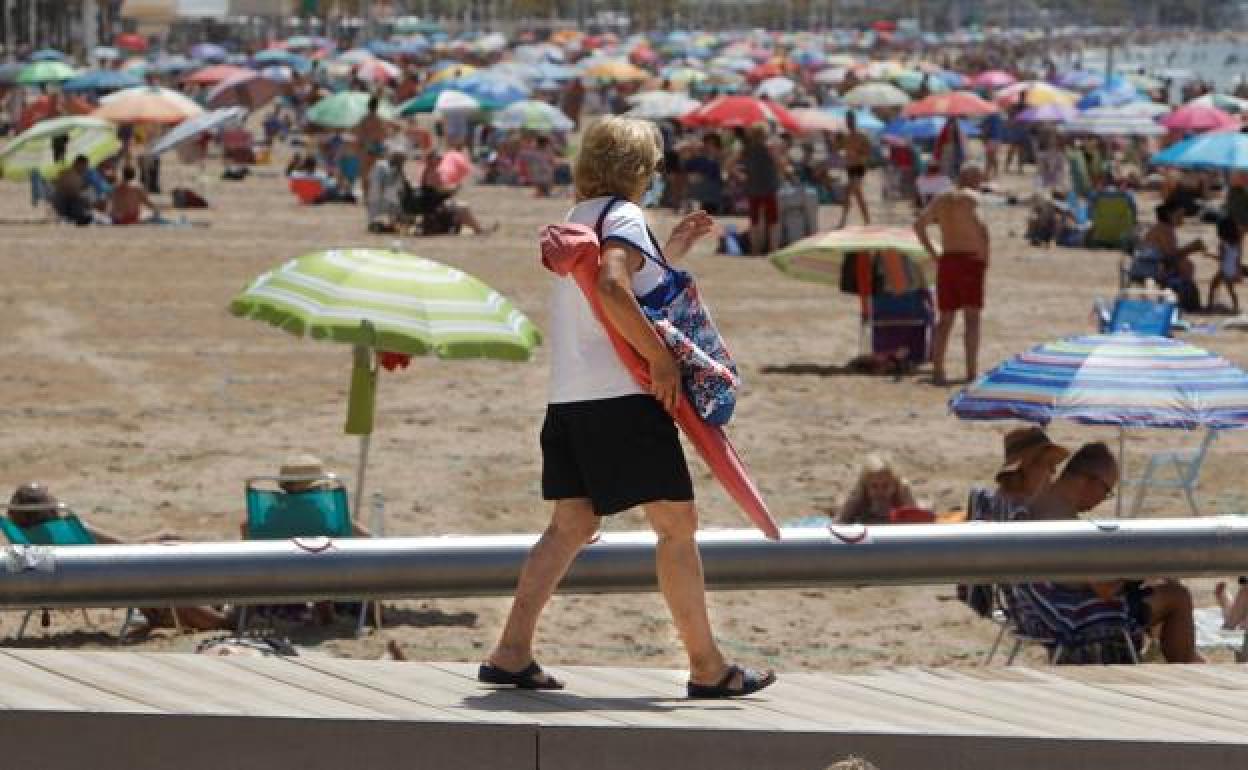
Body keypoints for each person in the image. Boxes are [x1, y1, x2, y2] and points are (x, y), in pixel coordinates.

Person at [482, 116, 775, 699]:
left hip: (570, 398)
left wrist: (671, 251)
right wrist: (662, 361)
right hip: (622, 398)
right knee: (675, 526)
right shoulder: (623, 217)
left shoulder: (576, 219)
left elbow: (614, 288)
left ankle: (511, 651)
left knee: (571, 524)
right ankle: (707, 666)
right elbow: (615, 288)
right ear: (639, 168)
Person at [1014, 442, 1203, 664]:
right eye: (1106, 491)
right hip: (1070, 615)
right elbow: (1103, 587)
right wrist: (1137, 569)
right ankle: (1186, 666)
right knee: (1177, 596)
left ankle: (1179, 655)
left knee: (1153, 589)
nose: (1102, 500)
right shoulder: (1063, 523)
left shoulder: (1043, 505)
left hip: (1039, 607)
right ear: (1089, 481)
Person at [6, 483, 230, 633]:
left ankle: (209, 605)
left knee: (164, 543)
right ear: (52, 510)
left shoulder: (24, 548)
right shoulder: (67, 530)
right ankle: (220, 617)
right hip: (108, 577)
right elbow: (123, 547)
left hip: (83, 580)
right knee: (163, 558)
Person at [914, 166, 990, 386]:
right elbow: (981, 226)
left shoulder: (941, 198)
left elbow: (919, 225)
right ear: (972, 179)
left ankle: (938, 370)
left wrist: (933, 252)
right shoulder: (972, 198)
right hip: (970, 261)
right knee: (972, 319)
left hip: (947, 259)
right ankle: (971, 372)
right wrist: (985, 257)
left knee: (945, 319)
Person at [416, 146, 497, 236]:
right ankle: (479, 230)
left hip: (434, 205)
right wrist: (455, 188)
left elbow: (438, 190)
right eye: (437, 158)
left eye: (440, 157)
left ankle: (479, 228)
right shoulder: (432, 173)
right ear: (431, 160)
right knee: (463, 207)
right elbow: (440, 190)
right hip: (435, 207)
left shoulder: (429, 171)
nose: (440, 159)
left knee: (459, 206)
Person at [1142, 200, 1205, 312]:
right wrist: (1192, 248)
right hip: (1152, 265)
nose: (1182, 218)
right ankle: (1185, 302)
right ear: (1170, 215)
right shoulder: (1164, 229)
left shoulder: (1164, 228)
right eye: (1179, 215)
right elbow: (1170, 255)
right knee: (1185, 266)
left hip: (1156, 263)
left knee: (1186, 265)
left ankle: (1186, 301)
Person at [734, 123, 782, 255]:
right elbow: (780, 164)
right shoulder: (770, 148)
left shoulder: (746, 149)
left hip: (753, 187)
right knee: (773, 221)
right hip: (769, 187)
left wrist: (741, 176)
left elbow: (729, 164)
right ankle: (773, 249)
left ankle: (755, 249)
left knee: (754, 221)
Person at [833, 452, 918, 525]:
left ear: (895, 485)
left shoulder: (902, 491)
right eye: (874, 486)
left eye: (885, 486)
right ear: (866, 486)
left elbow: (919, 524)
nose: (880, 492)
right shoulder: (859, 493)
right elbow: (838, 523)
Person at [837, 111, 872, 228]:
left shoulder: (861, 135)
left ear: (854, 121)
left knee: (852, 190)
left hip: (859, 166)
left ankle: (843, 220)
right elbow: (838, 149)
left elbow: (868, 151)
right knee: (856, 194)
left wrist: (858, 153)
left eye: (850, 120)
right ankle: (866, 220)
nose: (849, 122)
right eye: (847, 120)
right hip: (849, 167)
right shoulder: (845, 136)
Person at [353, 96, 391, 198]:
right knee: (379, 172)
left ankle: (366, 195)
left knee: (365, 172)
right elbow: (384, 134)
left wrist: (359, 147)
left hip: (368, 145)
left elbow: (359, 134)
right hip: (379, 146)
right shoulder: (380, 119)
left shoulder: (364, 119)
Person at [1208, 215, 1242, 314]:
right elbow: (1237, 260)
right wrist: (1237, 272)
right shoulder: (1237, 243)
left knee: (1213, 286)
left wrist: (1208, 255)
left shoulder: (1222, 244)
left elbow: (1221, 258)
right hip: (1232, 269)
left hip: (1224, 270)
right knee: (1231, 290)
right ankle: (1236, 306)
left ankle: (1210, 306)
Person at [53, 155, 94, 226]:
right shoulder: (69, 174)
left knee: (83, 199)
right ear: (77, 164)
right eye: (84, 165)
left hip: (68, 202)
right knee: (80, 200)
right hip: (63, 202)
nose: (85, 168)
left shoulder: (78, 176)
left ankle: (81, 217)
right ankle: (78, 217)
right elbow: (67, 191)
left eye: (86, 166)